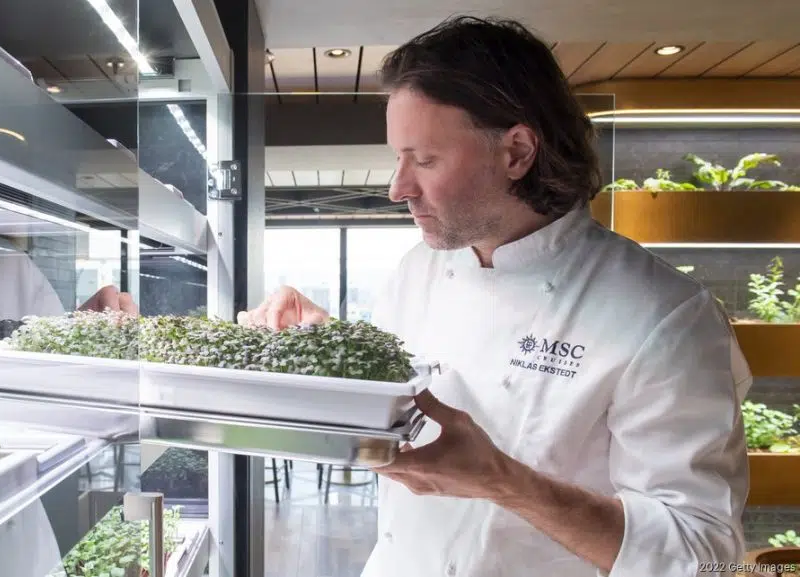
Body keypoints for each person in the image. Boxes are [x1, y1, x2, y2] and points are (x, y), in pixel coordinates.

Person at [238, 16, 751, 577]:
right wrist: (320, 346)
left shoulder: (666, 316)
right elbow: (398, 399)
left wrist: (503, 481)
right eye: (398, 158)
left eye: (425, 160)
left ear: (517, 152)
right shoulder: (417, 270)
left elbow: (704, 555)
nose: (397, 188)